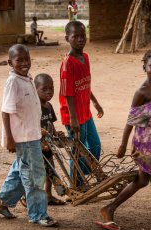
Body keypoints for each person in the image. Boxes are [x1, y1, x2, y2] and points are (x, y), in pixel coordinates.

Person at [96, 49, 151, 230]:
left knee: (141, 181)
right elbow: (131, 120)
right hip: (147, 145)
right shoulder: (143, 91)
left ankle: (109, 209)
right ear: (144, 67)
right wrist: (123, 144)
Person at [0, 44, 57, 227]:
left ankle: (1, 202)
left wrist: (38, 129)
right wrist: (9, 138)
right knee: (35, 175)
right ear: (10, 62)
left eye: (27, 59)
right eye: (19, 60)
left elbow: (28, 110)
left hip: (31, 134)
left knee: (20, 172)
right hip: (23, 138)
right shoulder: (13, 82)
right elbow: (6, 111)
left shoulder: (26, 78)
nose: (24, 63)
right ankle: (38, 214)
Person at [59, 21, 104, 187]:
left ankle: (82, 175)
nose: (80, 39)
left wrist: (96, 103)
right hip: (74, 116)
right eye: (75, 36)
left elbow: (85, 84)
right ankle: (76, 184)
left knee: (95, 145)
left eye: (82, 35)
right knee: (77, 150)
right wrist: (73, 118)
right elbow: (67, 92)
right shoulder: (67, 63)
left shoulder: (85, 57)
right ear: (67, 38)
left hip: (86, 112)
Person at [20, 73, 66, 207]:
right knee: (34, 173)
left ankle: (48, 195)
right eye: (44, 89)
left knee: (50, 170)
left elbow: (50, 124)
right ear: (35, 89)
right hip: (36, 145)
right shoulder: (34, 107)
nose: (49, 92)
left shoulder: (49, 106)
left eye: (51, 88)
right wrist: (40, 132)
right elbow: (29, 125)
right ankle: (25, 197)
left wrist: (56, 133)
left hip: (48, 145)